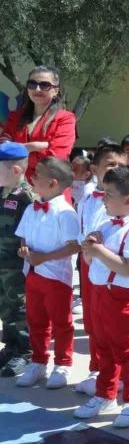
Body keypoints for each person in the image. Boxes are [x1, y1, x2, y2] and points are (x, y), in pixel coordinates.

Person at [74, 166, 129, 428]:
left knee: (127, 351)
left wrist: (98, 250)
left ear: (128, 200)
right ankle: (104, 394)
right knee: (103, 347)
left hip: (123, 298)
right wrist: (89, 246)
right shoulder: (106, 224)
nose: (103, 199)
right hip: (99, 294)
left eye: (108, 194)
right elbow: (89, 260)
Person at [14, 157, 80, 389]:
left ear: (52, 183)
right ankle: (39, 362)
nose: (31, 177)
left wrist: (44, 257)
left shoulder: (66, 212)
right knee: (36, 321)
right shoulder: (31, 208)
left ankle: (63, 364)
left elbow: (74, 246)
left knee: (61, 323)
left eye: (37, 175)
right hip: (33, 274)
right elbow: (23, 236)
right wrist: (24, 249)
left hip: (56, 277)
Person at [74, 144, 126, 395]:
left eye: (121, 165)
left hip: (112, 266)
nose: (116, 169)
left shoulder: (126, 199)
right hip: (89, 262)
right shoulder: (86, 198)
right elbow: (82, 228)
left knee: (112, 323)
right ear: (95, 169)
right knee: (93, 320)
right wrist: (85, 249)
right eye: (110, 165)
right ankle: (98, 369)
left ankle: (118, 374)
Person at [0, 66, 77, 185]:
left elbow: (55, 159)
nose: (37, 89)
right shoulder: (15, 116)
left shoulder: (66, 119)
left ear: (56, 91)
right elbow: (2, 147)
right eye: (32, 84)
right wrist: (34, 146)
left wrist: (16, 151)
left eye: (44, 85)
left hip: (48, 188)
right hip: (15, 187)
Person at [0, 143, 35, 378]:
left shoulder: (27, 198)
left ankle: (25, 351)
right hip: (2, 264)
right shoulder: (1, 192)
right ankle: (10, 345)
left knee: (20, 307)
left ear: (15, 170)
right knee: (5, 306)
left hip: (17, 265)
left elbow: (32, 234)